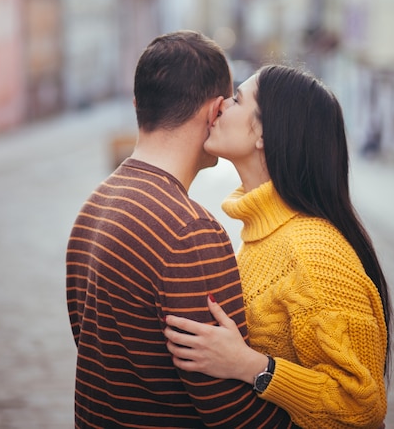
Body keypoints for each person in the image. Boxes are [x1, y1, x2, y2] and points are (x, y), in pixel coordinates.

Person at [66, 32, 297, 429]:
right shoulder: (190, 231)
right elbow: (230, 409)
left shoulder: (94, 205)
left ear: (139, 105)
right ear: (213, 113)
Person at [165, 64, 394, 429]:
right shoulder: (262, 236)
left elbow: (362, 408)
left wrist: (249, 366)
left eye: (237, 99)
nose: (222, 104)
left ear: (264, 133)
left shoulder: (315, 253)